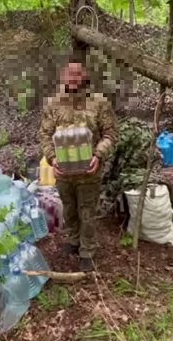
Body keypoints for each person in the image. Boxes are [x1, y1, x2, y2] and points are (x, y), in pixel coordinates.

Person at [38, 60, 119, 272]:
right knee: (70, 210)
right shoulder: (53, 103)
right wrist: (52, 159)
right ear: (63, 76)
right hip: (63, 172)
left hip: (89, 172)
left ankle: (87, 251)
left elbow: (111, 134)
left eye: (77, 73)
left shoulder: (99, 102)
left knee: (87, 212)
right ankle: (73, 241)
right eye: (69, 73)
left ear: (84, 76)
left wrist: (99, 155)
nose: (72, 78)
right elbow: (45, 135)